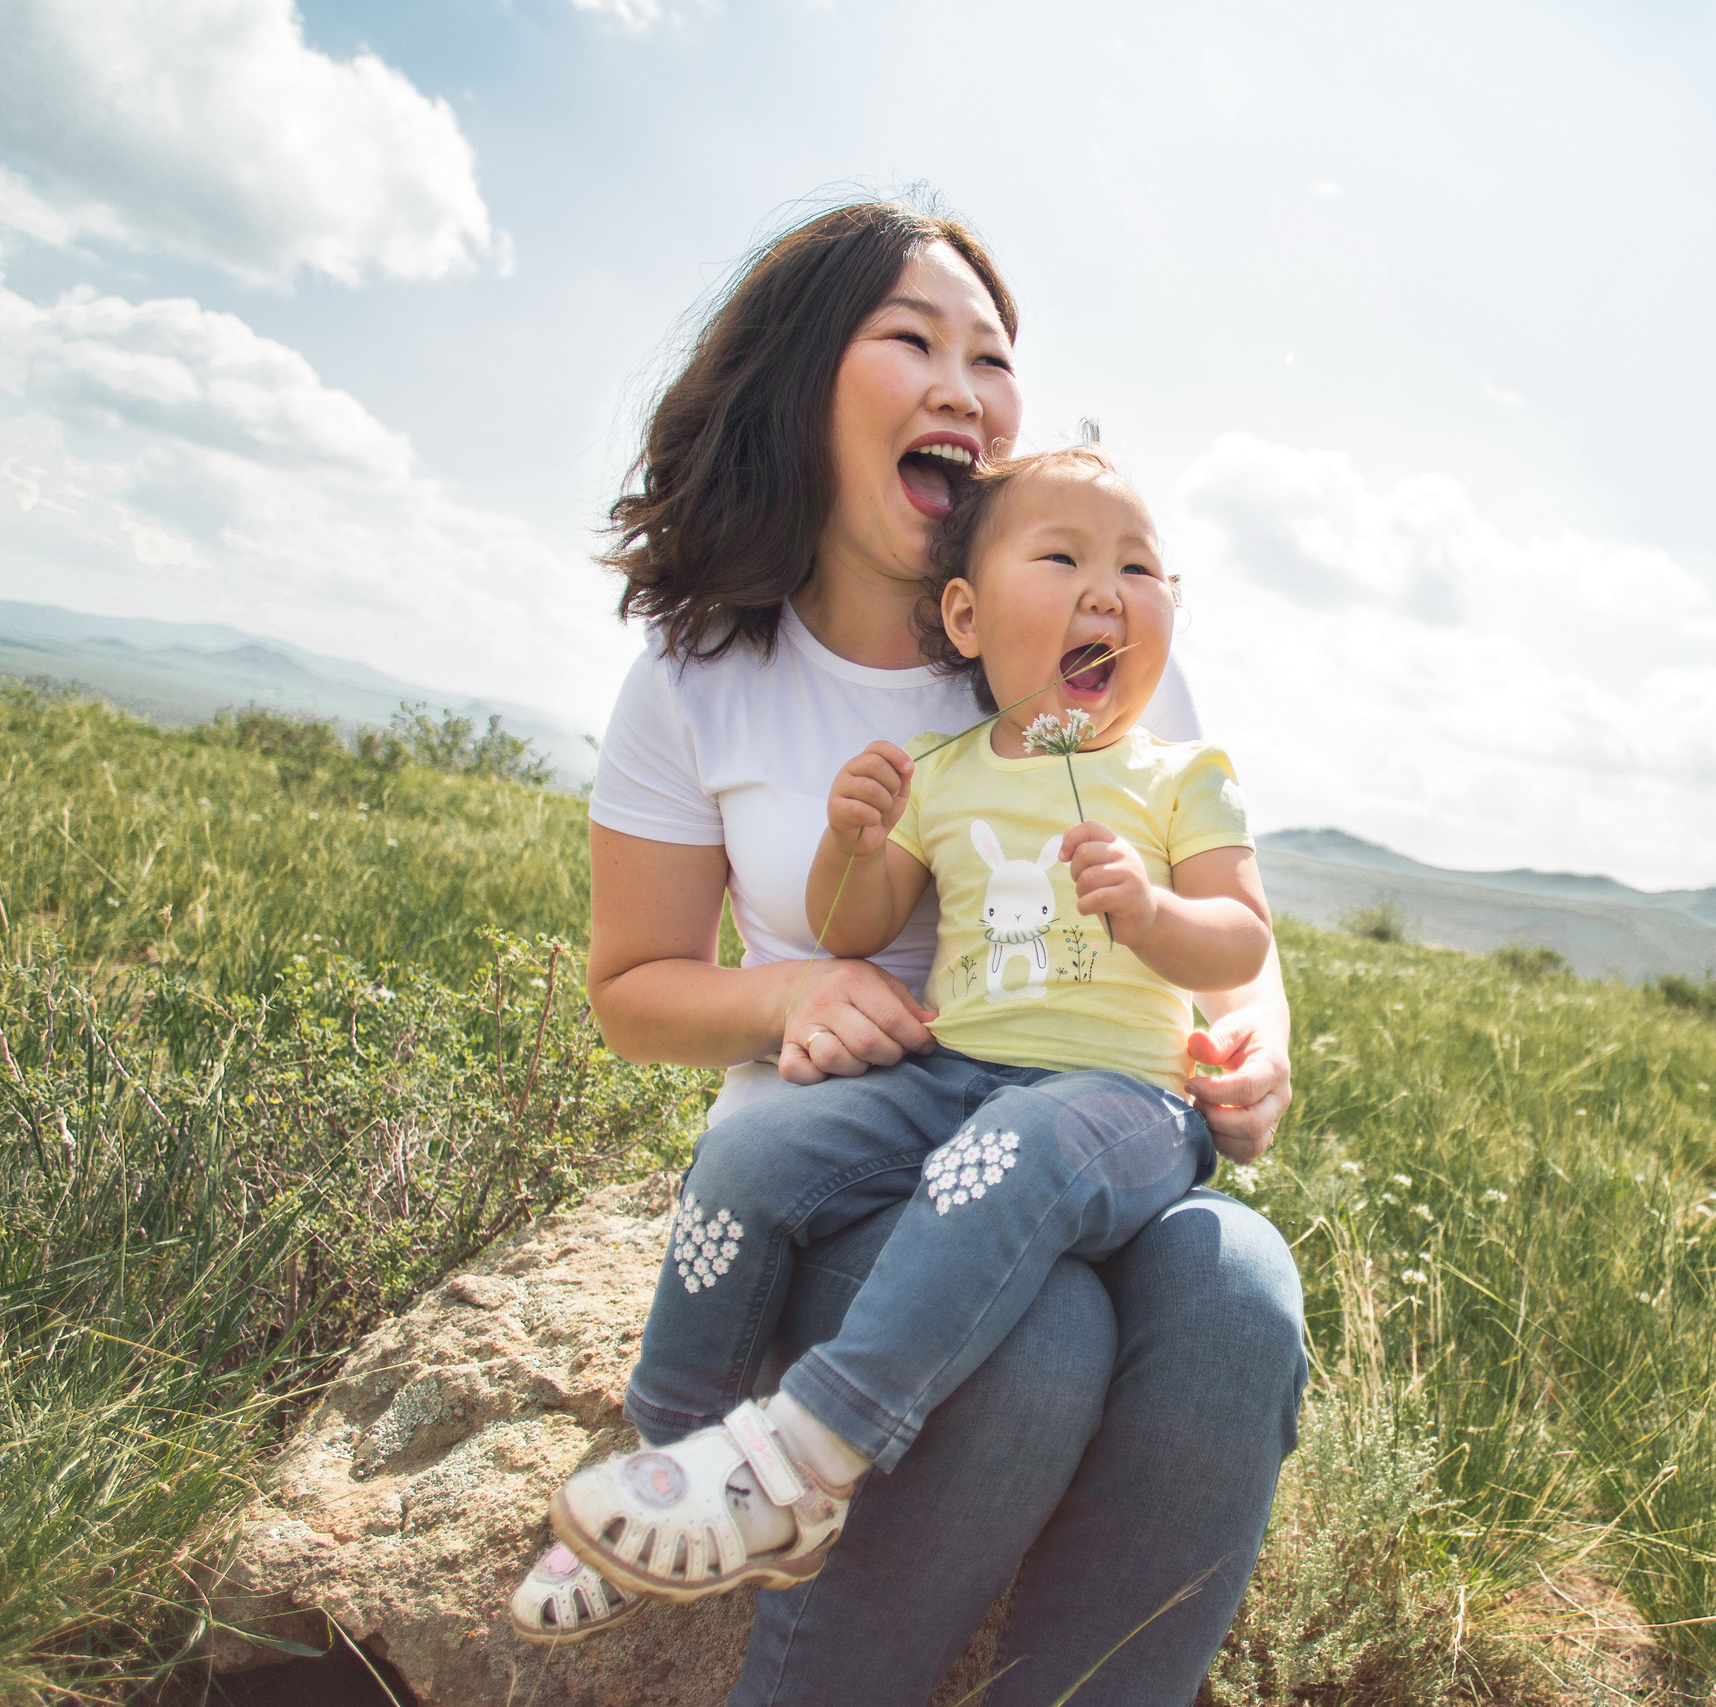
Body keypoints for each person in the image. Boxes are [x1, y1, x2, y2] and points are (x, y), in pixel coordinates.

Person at [507, 200, 1306, 1707]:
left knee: (1242, 1289)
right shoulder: (695, 682)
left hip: (1096, 1118)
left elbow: (1219, 902)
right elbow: (633, 988)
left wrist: (1256, 1041)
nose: (966, 385)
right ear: (805, 382)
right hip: (857, 1168)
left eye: (992, 357)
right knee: (1041, 1346)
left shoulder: (1085, 625)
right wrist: (796, 985)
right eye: (912, 340)